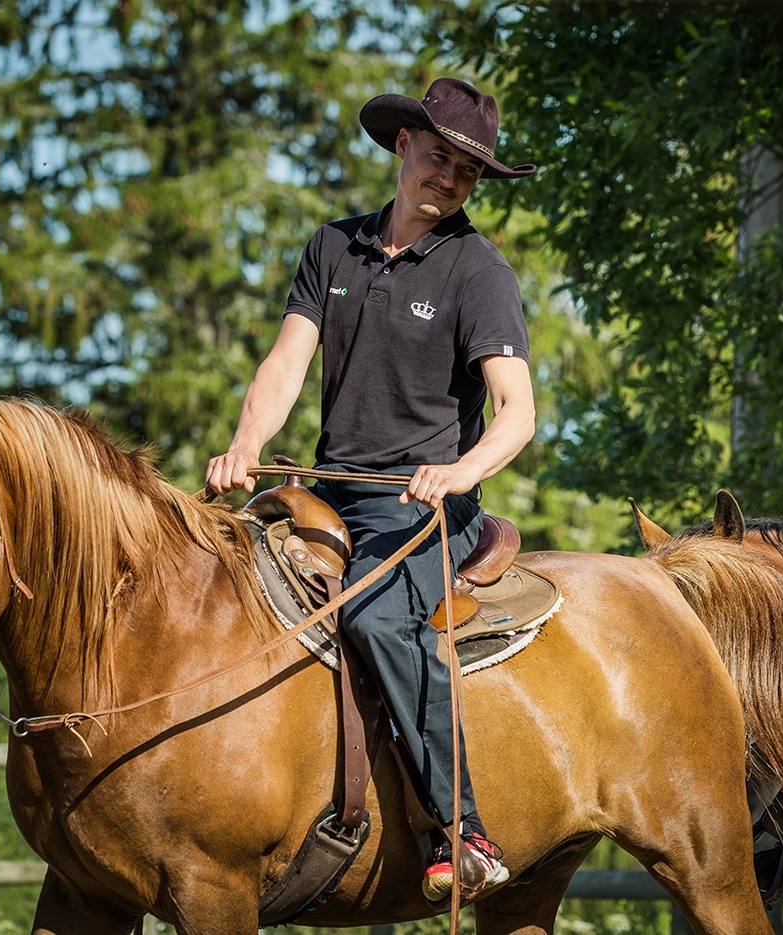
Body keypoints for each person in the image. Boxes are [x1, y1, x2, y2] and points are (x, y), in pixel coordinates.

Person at [205, 78, 538, 902]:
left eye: (468, 170)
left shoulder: (478, 270)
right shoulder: (333, 247)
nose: (450, 178)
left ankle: (463, 828)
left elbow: (518, 411)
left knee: (375, 617)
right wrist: (246, 445)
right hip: (328, 495)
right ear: (402, 146)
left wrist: (461, 471)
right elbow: (285, 364)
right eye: (439, 157)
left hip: (425, 505)